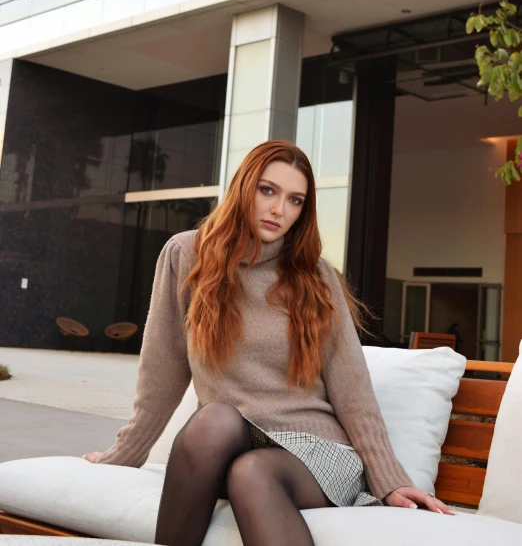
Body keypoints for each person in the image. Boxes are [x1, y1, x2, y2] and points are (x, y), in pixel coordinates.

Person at [83, 140, 452, 545]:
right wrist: (126, 453)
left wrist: (390, 480)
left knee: (252, 471)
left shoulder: (315, 277)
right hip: (230, 443)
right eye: (268, 190)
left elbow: (352, 387)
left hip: (315, 455)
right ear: (244, 187)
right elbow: (162, 368)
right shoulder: (186, 254)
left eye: (295, 200)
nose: (279, 210)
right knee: (216, 418)